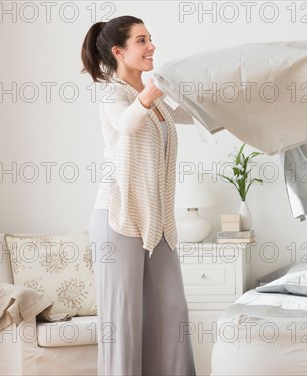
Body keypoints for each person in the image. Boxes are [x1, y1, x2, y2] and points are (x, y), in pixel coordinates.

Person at [80, 15, 196, 376]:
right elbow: (128, 124)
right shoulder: (113, 95)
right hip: (118, 219)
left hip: (157, 223)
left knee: (172, 312)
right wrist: (152, 91)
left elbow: (193, 116)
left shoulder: (156, 102)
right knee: (123, 323)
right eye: (142, 41)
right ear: (119, 51)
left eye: (151, 38)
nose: (152, 47)